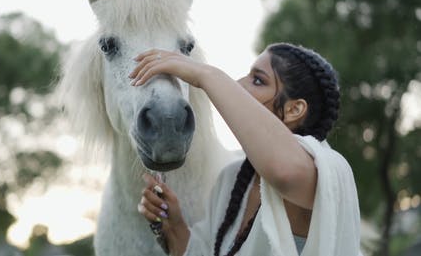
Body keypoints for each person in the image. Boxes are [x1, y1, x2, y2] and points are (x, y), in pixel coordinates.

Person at [131, 42, 362, 256]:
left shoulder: (328, 169)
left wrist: (207, 75)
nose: (238, 85)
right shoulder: (230, 178)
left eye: (258, 80)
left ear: (294, 109)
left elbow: (284, 172)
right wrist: (175, 225)